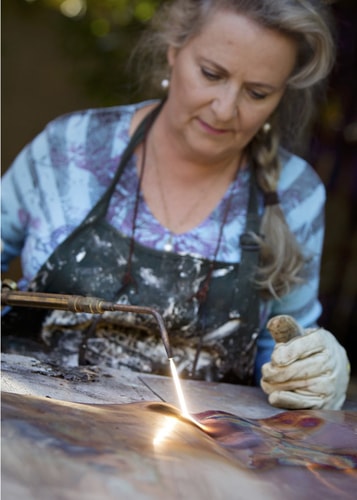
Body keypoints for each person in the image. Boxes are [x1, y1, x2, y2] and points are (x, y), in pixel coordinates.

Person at [1, 0, 350, 409]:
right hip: (30, 431)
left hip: (194, 458)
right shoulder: (71, 147)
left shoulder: (295, 193)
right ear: (174, 50)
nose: (225, 109)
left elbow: (281, 353)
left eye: (257, 93)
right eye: (211, 74)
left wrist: (309, 373)